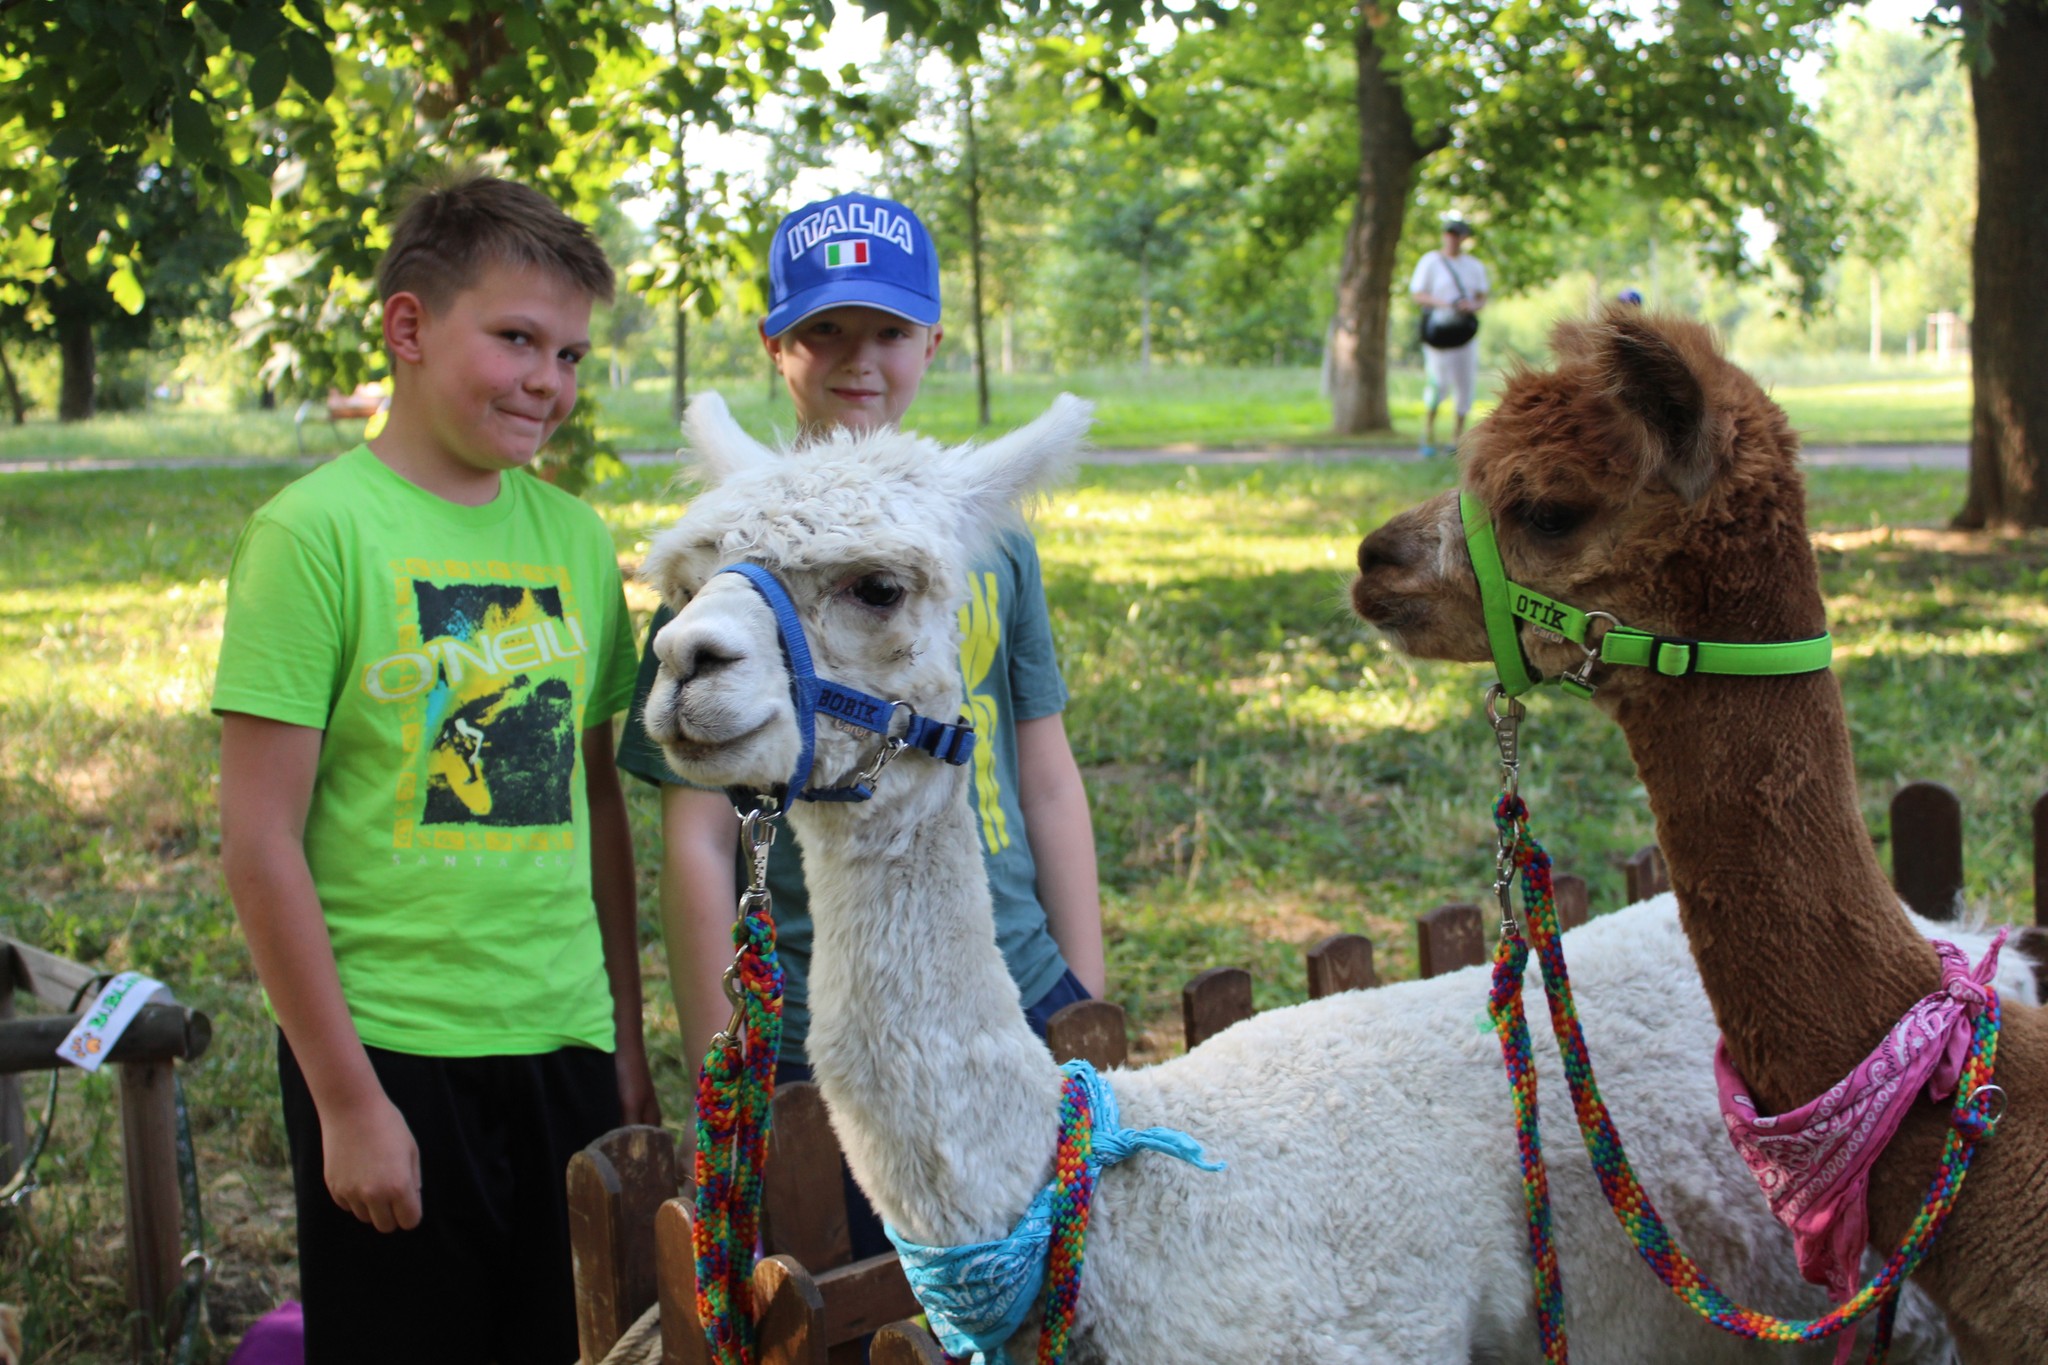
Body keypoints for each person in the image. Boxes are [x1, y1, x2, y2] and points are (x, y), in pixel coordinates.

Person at [214, 171, 658, 1365]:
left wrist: (622, 1036)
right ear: (408, 328)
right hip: (393, 1051)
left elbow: (596, 795)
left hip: (559, 1041)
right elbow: (259, 841)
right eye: (515, 338)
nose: (547, 382)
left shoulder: (573, 538)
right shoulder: (313, 534)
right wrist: (349, 1102)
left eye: (568, 354)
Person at [615, 190, 1106, 1258]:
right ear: (775, 347)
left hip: (1007, 977)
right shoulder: (724, 574)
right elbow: (697, 835)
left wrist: (1082, 989)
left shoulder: (988, 543)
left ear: (931, 338)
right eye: (823, 331)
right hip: (809, 1014)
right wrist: (725, 1055)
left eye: (888, 330)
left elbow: (1044, 767)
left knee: (1043, 1280)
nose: (859, 361)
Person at [1409, 217, 1491, 457]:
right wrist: (1444, 303)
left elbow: (1482, 297)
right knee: (1438, 381)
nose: (1453, 239)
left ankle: (1457, 438)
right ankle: (1429, 433)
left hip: (1463, 333)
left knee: (1464, 383)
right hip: (1438, 331)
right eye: (1450, 234)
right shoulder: (1430, 262)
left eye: (1457, 235)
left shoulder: (1474, 266)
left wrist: (1470, 305)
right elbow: (1418, 294)